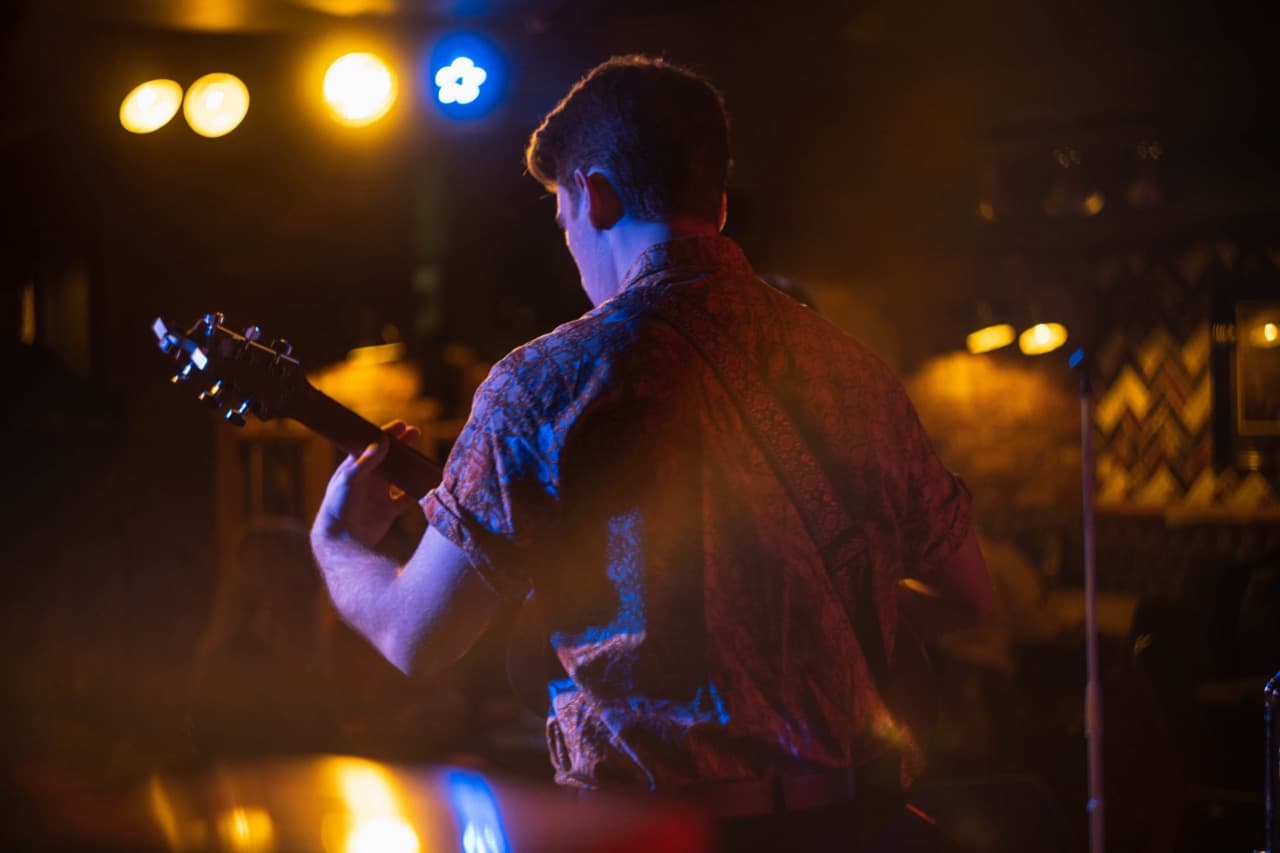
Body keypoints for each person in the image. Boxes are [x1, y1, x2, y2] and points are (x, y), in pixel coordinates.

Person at [310, 55, 989, 848]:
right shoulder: (853, 369)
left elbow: (414, 636)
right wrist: (821, 618)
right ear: (718, 205)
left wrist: (338, 544)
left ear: (594, 194)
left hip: (653, 833)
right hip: (847, 824)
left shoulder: (546, 382)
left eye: (564, 221)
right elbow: (968, 598)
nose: (573, 250)